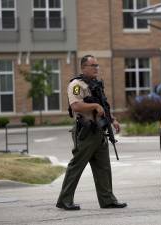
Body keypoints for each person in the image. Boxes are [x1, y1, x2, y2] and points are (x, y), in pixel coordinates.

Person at [56, 55, 127, 210]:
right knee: (76, 166)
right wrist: (94, 106)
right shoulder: (76, 85)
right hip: (86, 132)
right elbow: (75, 105)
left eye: (97, 65)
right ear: (83, 67)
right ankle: (64, 200)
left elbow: (103, 105)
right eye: (93, 65)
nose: (96, 68)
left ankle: (107, 199)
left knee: (104, 168)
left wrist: (112, 120)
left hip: (100, 131)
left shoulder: (96, 84)